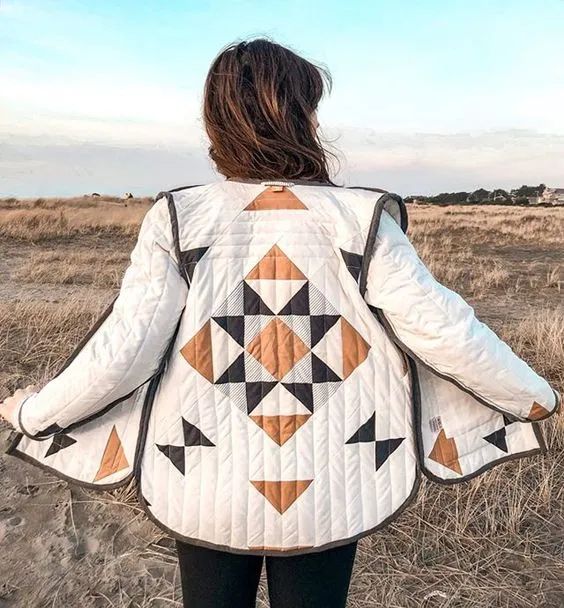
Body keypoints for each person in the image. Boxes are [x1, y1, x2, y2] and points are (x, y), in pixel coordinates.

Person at [1, 38, 560, 608]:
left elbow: (125, 350)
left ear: (218, 121)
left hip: (202, 476)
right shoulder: (360, 219)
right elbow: (445, 331)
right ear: (300, 118)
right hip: (333, 484)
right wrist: (534, 396)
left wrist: (34, 412)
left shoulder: (178, 218)